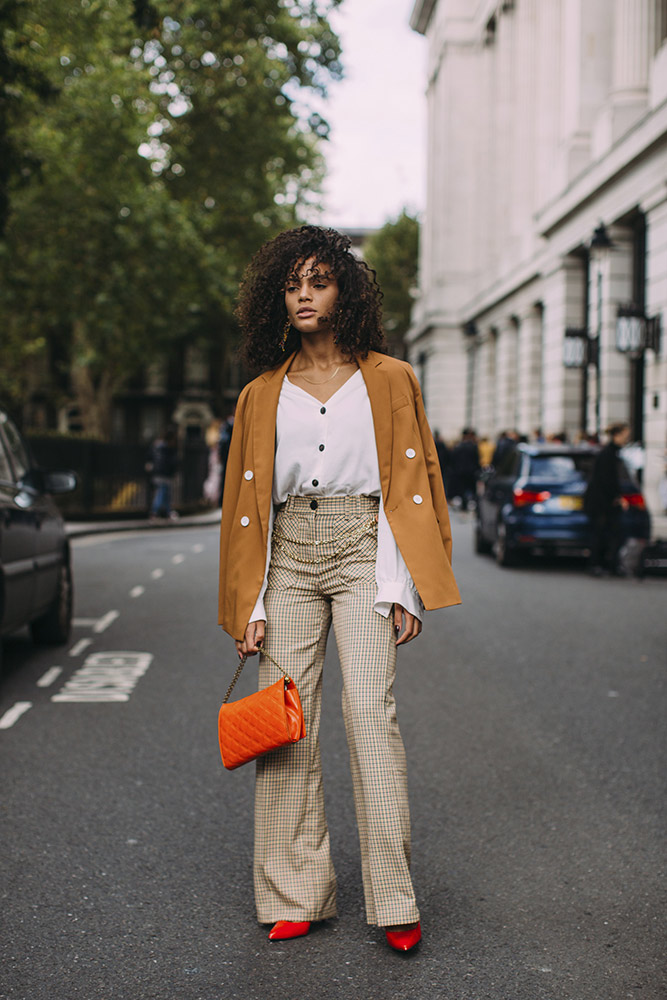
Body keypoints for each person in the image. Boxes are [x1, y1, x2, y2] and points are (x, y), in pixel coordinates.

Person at [218, 226, 461, 952]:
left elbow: (408, 486)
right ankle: (295, 892)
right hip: (287, 558)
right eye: (291, 283)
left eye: (317, 280)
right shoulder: (260, 395)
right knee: (285, 728)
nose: (302, 294)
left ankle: (393, 897)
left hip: (362, 548)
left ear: (345, 292)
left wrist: (399, 584)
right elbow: (244, 505)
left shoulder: (389, 377)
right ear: (275, 298)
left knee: (371, 720)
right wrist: (248, 602)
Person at [584, 422, 631, 576]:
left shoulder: (611, 452)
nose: (627, 438)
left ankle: (605, 564)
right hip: (602, 502)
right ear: (617, 435)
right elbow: (607, 480)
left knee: (607, 534)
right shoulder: (608, 454)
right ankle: (597, 564)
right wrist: (617, 497)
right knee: (601, 534)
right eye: (625, 435)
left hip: (603, 501)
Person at [148, 427, 178, 519]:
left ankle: (166, 512)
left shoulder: (157, 446)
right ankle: (155, 512)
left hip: (157, 472)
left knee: (165, 493)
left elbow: (150, 457)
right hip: (164, 473)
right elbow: (170, 462)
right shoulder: (168, 448)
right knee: (162, 493)